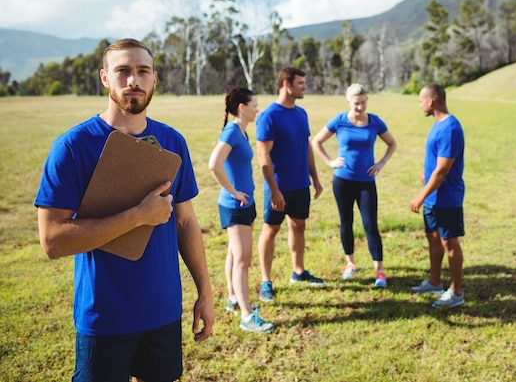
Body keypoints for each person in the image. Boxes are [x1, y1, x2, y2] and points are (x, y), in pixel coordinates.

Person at [34, 38, 215, 382]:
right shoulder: (73, 146)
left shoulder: (172, 141)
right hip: (104, 317)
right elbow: (53, 241)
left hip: (162, 312)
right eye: (123, 71)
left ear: (154, 79)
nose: (134, 80)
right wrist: (137, 216)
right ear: (105, 78)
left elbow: (185, 220)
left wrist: (205, 293)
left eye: (142, 71)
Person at [312, 83, 397, 287]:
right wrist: (330, 162)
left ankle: (379, 271)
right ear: (348, 102)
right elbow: (316, 141)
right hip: (342, 180)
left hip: (366, 182)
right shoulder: (340, 121)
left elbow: (392, 143)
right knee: (346, 221)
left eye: (363, 103)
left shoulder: (374, 121)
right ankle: (350, 263)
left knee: (370, 225)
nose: (360, 107)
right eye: (356, 103)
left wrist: (381, 163)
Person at [255, 66, 325, 302]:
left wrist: (314, 178)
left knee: (299, 226)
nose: (304, 87)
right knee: (271, 230)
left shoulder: (301, 113)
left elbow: (306, 147)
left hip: (300, 185)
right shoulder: (269, 116)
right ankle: (266, 280)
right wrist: (274, 190)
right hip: (278, 187)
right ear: (286, 84)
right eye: (301, 83)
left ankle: (298, 271)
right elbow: (263, 156)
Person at [208, 87, 274, 333]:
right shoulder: (232, 132)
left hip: (242, 203)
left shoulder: (240, 131)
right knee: (243, 260)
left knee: (235, 255)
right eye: (254, 104)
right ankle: (247, 316)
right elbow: (214, 164)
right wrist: (234, 192)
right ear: (242, 108)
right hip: (236, 205)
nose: (258, 108)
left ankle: (234, 299)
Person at [409, 83, 465, 308]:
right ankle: (434, 282)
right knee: (432, 238)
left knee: (449, 242)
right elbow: (436, 162)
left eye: (421, 100)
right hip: (434, 197)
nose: (420, 105)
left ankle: (456, 292)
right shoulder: (438, 124)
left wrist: (420, 196)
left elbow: (442, 171)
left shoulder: (450, 128)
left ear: (432, 101)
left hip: (446, 198)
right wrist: (427, 172)